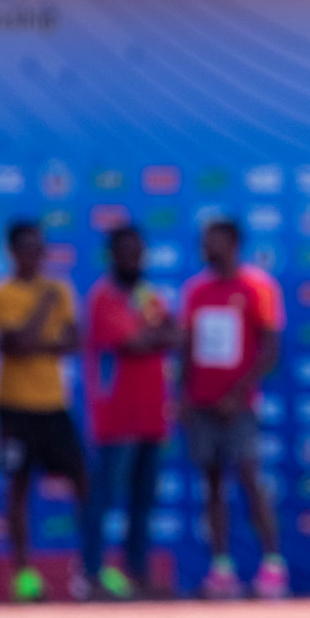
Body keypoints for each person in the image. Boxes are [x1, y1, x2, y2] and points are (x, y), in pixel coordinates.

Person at [179, 219, 288, 599]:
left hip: (240, 407)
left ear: (234, 243)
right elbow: (187, 349)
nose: (208, 248)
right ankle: (221, 568)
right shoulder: (195, 291)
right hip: (203, 405)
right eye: (205, 241)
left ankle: (273, 565)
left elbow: (269, 349)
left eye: (216, 241)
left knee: (249, 478)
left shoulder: (258, 287)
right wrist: (185, 397)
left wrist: (237, 395)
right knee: (211, 484)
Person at [0, 221, 90, 602]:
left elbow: (73, 342)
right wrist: (43, 311)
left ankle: (89, 568)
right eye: (27, 248)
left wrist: (36, 341)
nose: (36, 256)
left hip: (54, 404)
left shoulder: (61, 289)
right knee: (17, 488)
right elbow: (14, 345)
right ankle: (24, 576)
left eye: (40, 248)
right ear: (13, 252)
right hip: (14, 406)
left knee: (82, 481)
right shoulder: (4, 293)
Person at [83, 224, 179, 598]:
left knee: (143, 503)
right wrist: (153, 336)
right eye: (126, 252)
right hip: (117, 419)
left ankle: (138, 576)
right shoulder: (104, 297)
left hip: (152, 417)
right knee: (104, 499)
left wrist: (152, 336)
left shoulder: (147, 295)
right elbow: (133, 343)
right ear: (113, 255)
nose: (133, 259)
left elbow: (176, 334)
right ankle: (90, 575)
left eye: (138, 252)